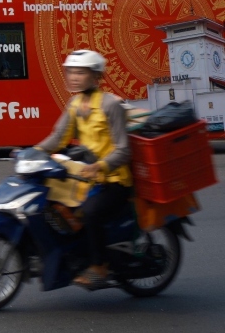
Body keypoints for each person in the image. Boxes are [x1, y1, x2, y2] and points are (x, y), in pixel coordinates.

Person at [36, 50, 132, 288]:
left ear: (95, 76)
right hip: (86, 178)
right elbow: (59, 137)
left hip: (114, 180)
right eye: (71, 72)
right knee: (50, 199)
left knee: (90, 212)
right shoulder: (75, 103)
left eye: (81, 72)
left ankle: (99, 266)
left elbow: (123, 149)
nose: (74, 77)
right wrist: (34, 151)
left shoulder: (110, 105)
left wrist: (100, 165)